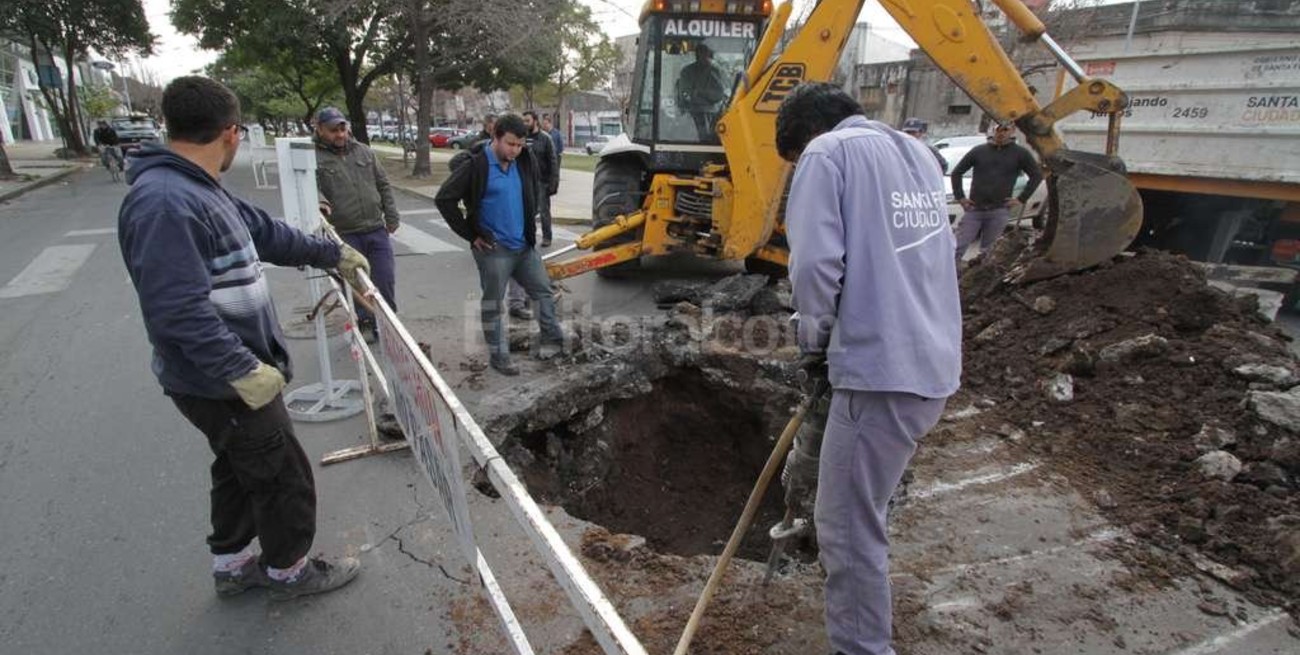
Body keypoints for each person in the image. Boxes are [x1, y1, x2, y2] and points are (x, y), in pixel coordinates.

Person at [117, 76, 370, 601]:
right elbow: (176, 311)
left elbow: (265, 231)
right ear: (232, 133)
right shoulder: (166, 201)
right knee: (283, 474)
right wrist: (241, 369)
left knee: (238, 466)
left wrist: (331, 254)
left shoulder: (196, 186)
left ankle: (231, 565)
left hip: (221, 375)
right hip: (219, 380)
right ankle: (289, 571)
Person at [775, 82, 961, 655]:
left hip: (878, 372)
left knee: (847, 529)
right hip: (929, 362)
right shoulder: (920, 156)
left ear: (805, 135)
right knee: (862, 515)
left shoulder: (827, 153)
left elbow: (814, 268)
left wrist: (815, 345)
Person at [434, 113, 565, 376]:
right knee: (494, 303)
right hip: (494, 250)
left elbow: (531, 192)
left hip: (524, 247)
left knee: (542, 293)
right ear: (495, 137)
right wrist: (471, 235)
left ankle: (554, 340)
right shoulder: (476, 165)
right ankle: (499, 355)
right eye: (510, 144)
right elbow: (444, 199)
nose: (515, 150)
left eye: (520, 144)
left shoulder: (525, 160)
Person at [313, 106, 401, 341]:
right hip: (344, 235)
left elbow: (383, 184)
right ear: (320, 129)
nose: (340, 134)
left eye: (343, 128)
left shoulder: (364, 152)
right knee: (355, 283)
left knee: (384, 279)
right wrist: (320, 201)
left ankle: (388, 323)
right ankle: (365, 319)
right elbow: (312, 188)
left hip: (375, 228)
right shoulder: (313, 158)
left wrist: (391, 215)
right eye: (333, 130)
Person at [950, 122, 1043, 269]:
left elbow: (1036, 175)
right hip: (975, 208)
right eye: (998, 129)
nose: (1001, 133)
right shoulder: (979, 151)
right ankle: (949, 275)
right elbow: (957, 173)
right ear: (993, 131)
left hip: (999, 210)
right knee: (958, 245)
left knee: (989, 250)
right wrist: (961, 197)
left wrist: (1021, 198)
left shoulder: (1020, 154)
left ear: (1012, 131)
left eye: (1005, 130)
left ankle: (976, 279)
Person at [521, 110, 559, 248]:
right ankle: (528, 237)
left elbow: (553, 162)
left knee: (544, 211)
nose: (525, 124)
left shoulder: (545, 138)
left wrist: (553, 183)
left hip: (542, 181)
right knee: (527, 211)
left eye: (527, 121)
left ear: (535, 121)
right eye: (523, 121)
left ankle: (547, 237)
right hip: (526, 181)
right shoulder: (521, 138)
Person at [676, 42, 728, 140]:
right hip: (691, 115)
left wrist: (700, 92)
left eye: (706, 54)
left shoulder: (714, 72)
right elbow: (685, 95)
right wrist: (703, 97)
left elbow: (719, 94)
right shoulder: (687, 72)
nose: (703, 57)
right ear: (696, 55)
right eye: (700, 54)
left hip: (713, 115)